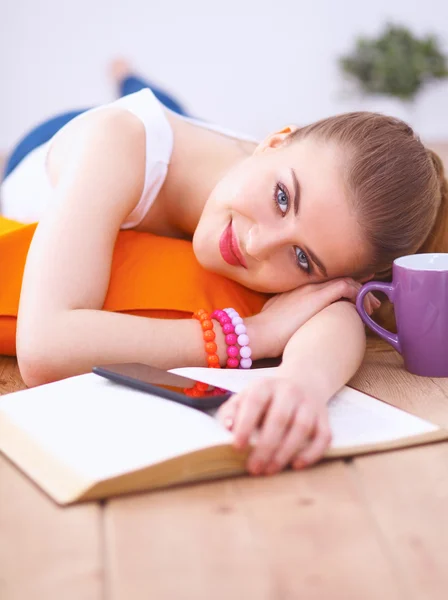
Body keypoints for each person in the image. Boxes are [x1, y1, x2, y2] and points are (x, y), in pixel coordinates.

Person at [1, 59, 446, 477]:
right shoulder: (113, 141)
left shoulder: (302, 205)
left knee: (179, 111)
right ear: (274, 140)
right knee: (155, 103)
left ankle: (139, 80)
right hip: (52, 135)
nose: (256, 243)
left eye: (302, 258)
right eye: (282, 198)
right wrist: (251, 334)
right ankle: (129, 76)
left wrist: (301, 384)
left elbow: (336, 308)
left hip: (206, 150)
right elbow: (44, 348)